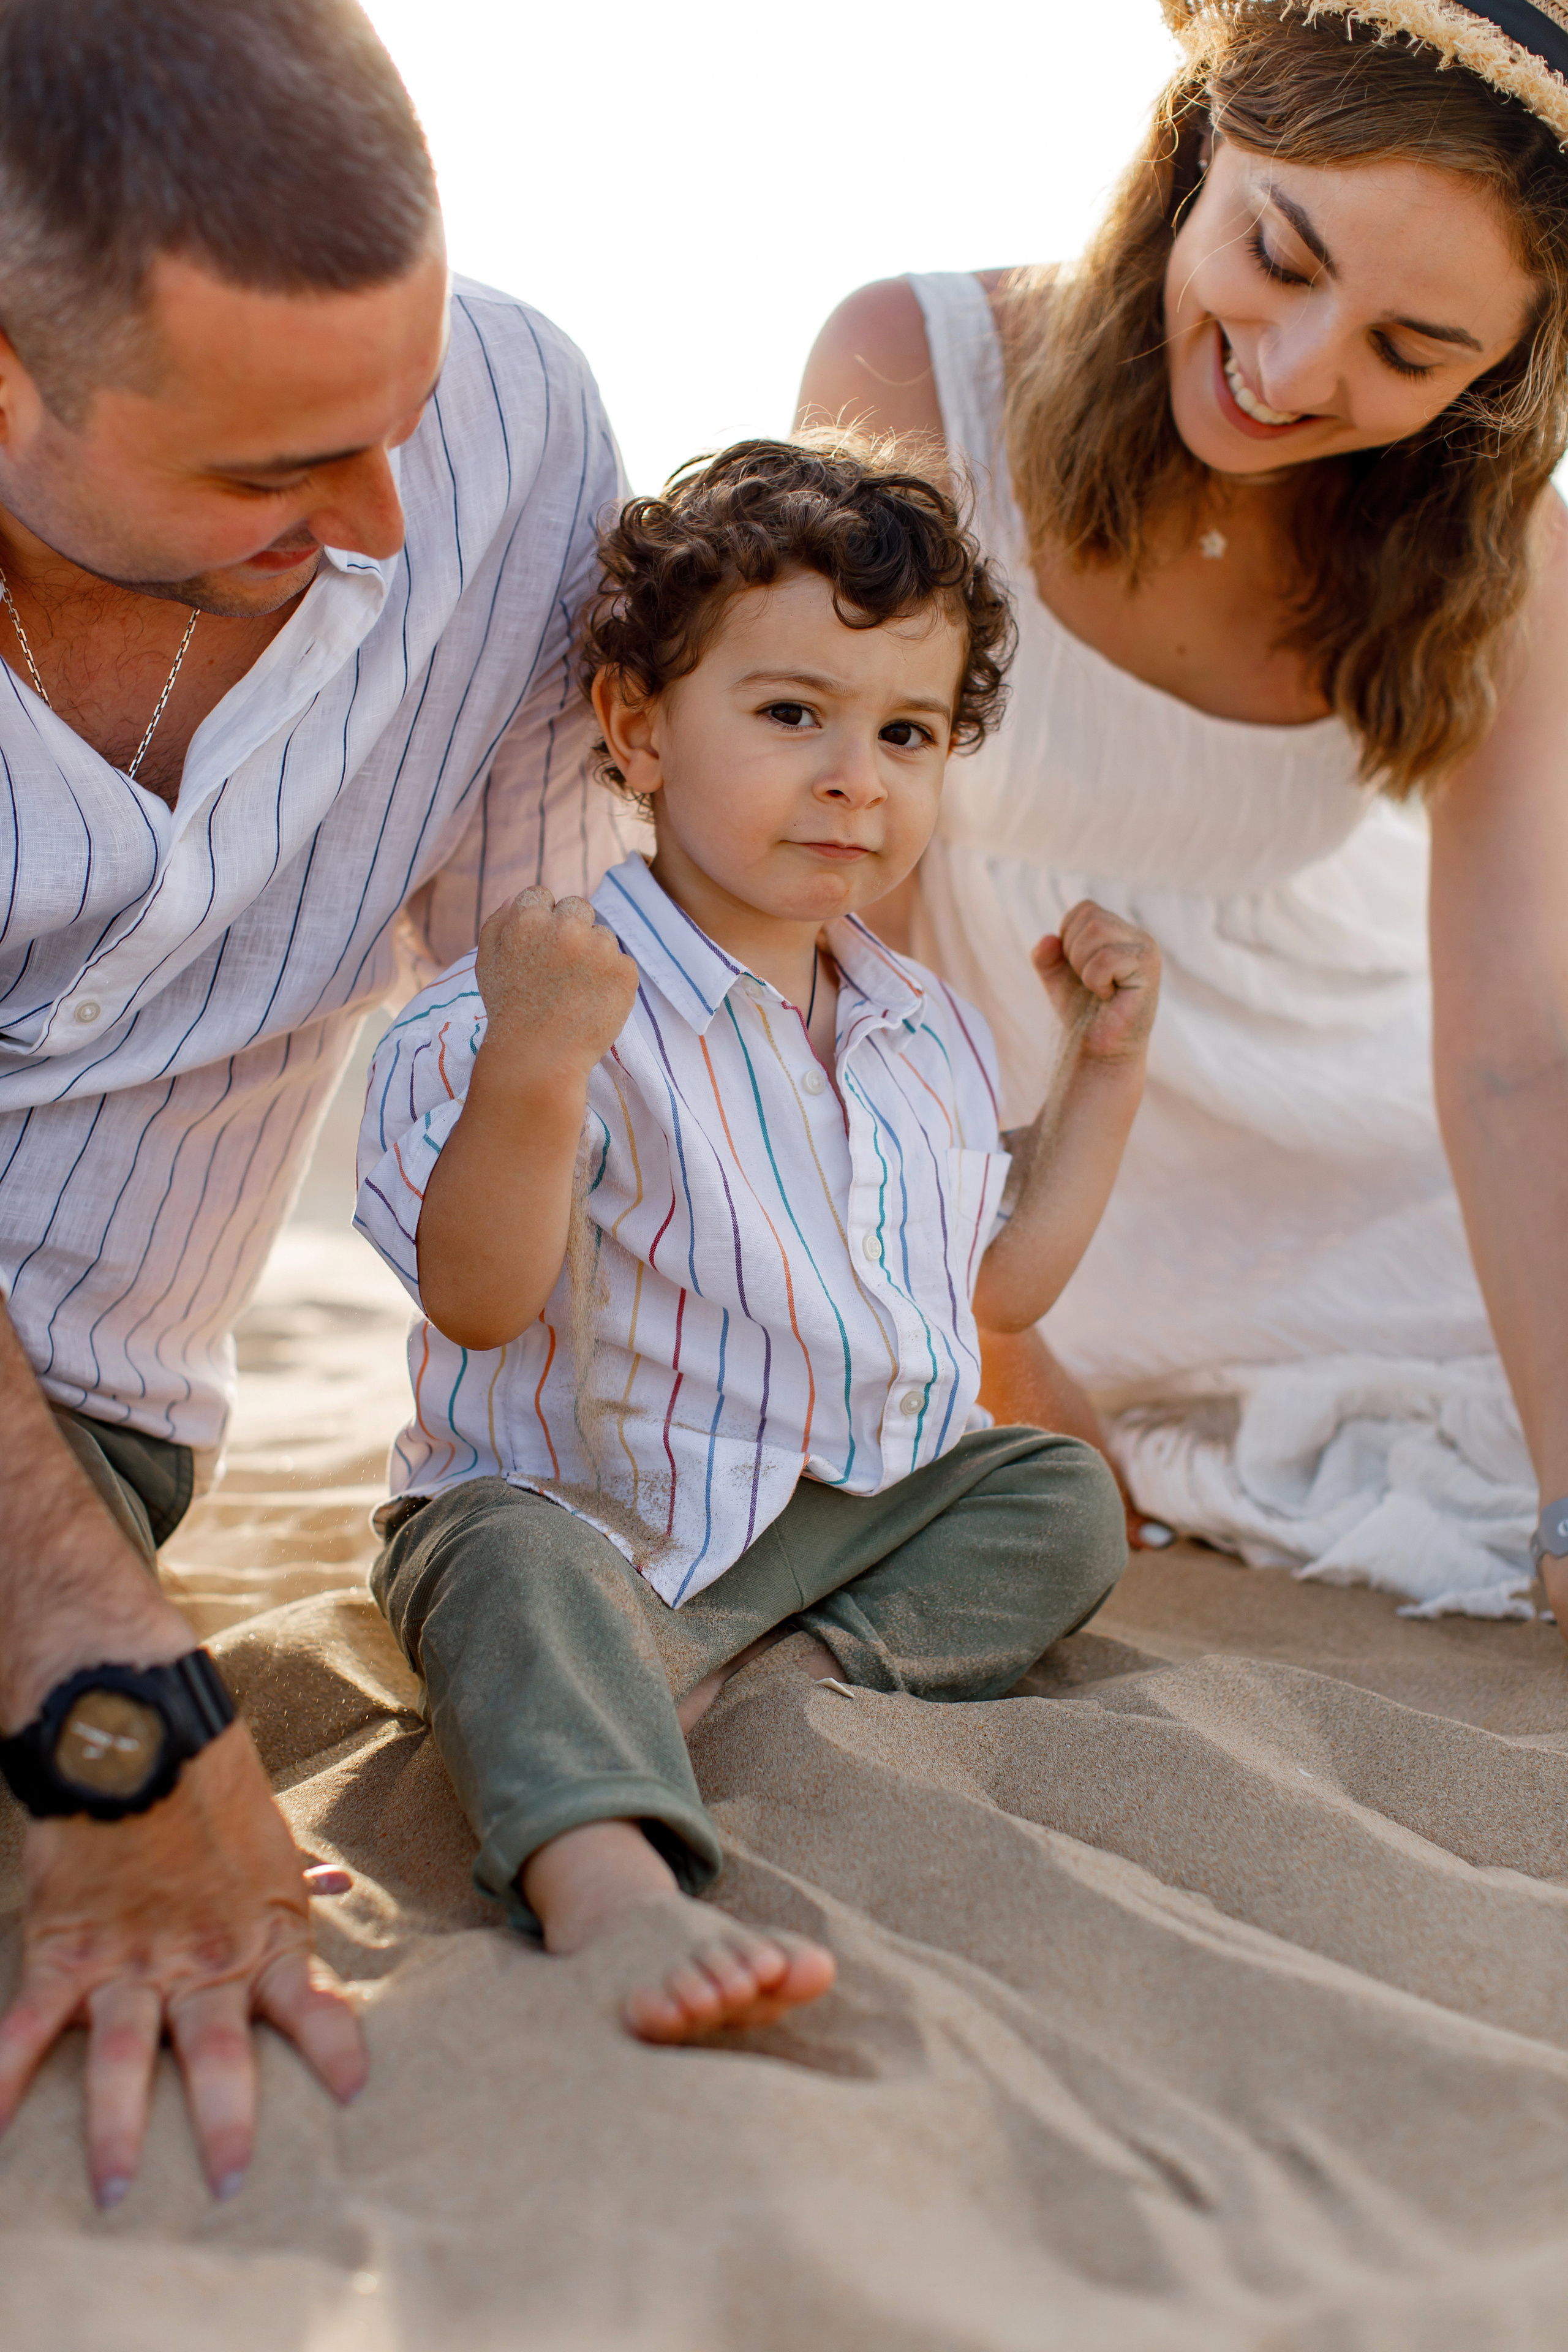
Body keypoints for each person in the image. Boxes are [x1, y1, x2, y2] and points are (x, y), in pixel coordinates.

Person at [0, 0, 634, 2205]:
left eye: (403, 408)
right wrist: (111, 1708)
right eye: (273, 472)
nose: (382, 515)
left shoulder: (515, 432)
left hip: (102, 1423)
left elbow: (568, 981)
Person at [354, 439, 1152, 2037]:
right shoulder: (533, 1003)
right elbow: (481, 1302)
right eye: (793, 715)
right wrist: (537, 1064)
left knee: (1059, 1495)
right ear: (638, 729)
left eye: (906, 732)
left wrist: (1107, 1072)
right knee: (503, 1568)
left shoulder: (919, 1026)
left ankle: (755, 1678)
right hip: (585, 1521)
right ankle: (615, 1891)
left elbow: (993, 1291)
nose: (857, 775)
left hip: (836, 1520)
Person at [797, 0, 1568, 1622]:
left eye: (1413, 352)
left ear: (1508, 368)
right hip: (963, 1116)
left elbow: (1508, 1054)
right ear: (1201, 142)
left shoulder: (1514, 558)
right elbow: (827, 913)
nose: (1296, 373)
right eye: (1281, 256)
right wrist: (995, 1326)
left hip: (1340, 1123)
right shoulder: (915, 366)